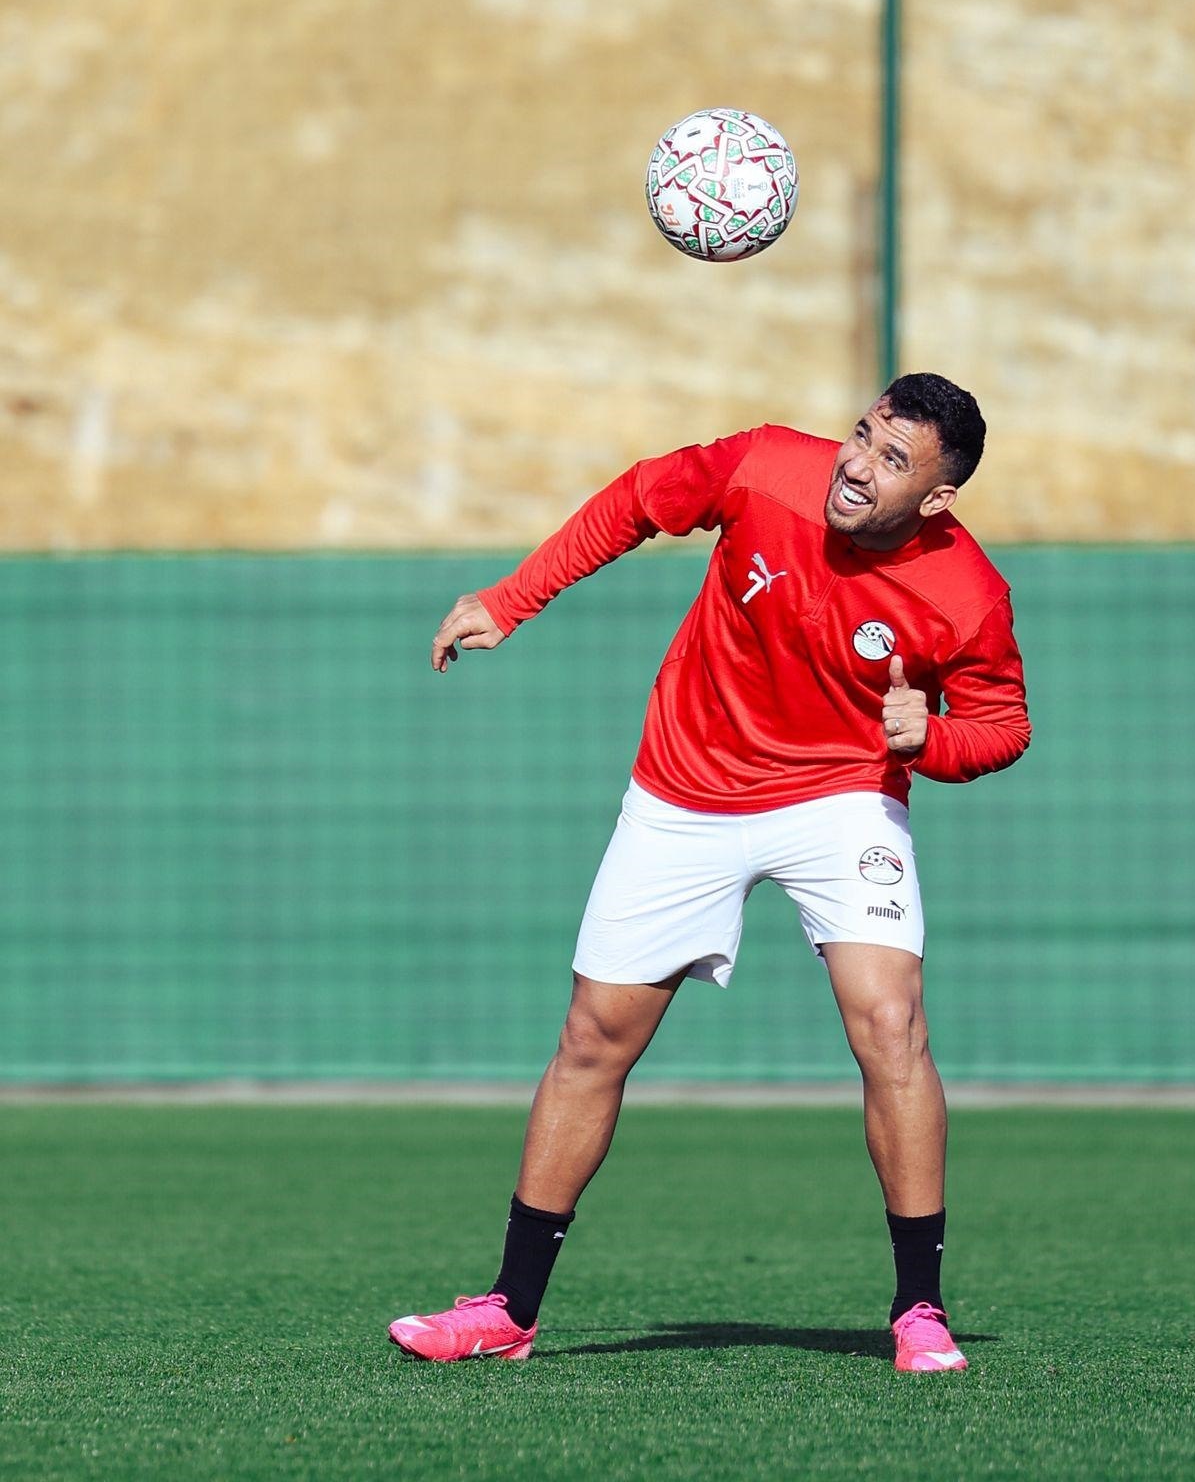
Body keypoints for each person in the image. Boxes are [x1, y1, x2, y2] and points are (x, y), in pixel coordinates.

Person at [390, 372, 1030, 1373]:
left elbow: (1002, 723)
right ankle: (507, 1310)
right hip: (686, 786)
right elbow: (636, 500)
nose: (857, 465)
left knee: (891, 1025)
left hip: (841, 793)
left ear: (937, 497)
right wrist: (512, 598)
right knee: (592, 1037)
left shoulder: (966, 594)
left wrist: (934, 740)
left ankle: (919, 1311)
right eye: (862, 434)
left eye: (893, 459)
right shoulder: (763, 465)